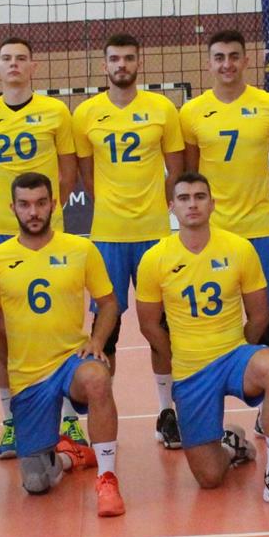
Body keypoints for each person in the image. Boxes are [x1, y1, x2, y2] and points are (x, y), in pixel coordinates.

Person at [136, 172, 269, 510]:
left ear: (212, 204)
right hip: (190, 370)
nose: (192, 204)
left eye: (200, 197)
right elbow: (149, 325)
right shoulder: (155, 258)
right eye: (184, 198)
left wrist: (240, 349)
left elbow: (260, 315)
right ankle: (230, 445)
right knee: (209, 477)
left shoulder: (238, 248)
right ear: (171, 207)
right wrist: (178, 357)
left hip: (233, 355)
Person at [0, 172, 125, 517]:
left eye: (41, 203)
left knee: (97, 377)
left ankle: (107, 478)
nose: (33, 212)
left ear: (54, 205)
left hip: (71, 360)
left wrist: (97, 341)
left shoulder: (80, 249)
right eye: (25, 205)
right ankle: (70, 456)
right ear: (12, 208)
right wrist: (9, 357)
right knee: (36, 482)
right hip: (28, 375)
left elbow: (108, 303)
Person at [0, 37, 80, 457]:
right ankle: (12, 421)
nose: (13, 64)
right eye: (6, 59)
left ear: (34, 66)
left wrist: (43, 214)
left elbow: (68, 174)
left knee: (60, 324)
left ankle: (69, 419)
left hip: (52, 234)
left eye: (21, 59)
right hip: (1, 234)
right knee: (3, 331)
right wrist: (8, 211)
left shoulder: (56, 112)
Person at [73, 33, 185, 449]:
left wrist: (156, 207)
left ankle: (168, 412)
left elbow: (177, 170)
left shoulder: (162, 109)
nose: (122, 65)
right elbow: (86, 175)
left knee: (162, 327)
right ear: (104, 65)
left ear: (140, 62)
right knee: (108, 330)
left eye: (128, 58)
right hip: (108, 237)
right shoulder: (86, 113)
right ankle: (104, 416)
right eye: (115, 59)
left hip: (155, 235)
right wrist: (114, 208)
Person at [180, 30, 269, 355]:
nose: (227, 64)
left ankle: (265, 383)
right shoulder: (191, 111)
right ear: (208, 64)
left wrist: (254, 192)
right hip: (213, 232)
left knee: (264, 317)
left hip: (258, 229)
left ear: (246, 60)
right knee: (212, 314)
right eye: (219, 58)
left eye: (233, 57)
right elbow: (191, 174)